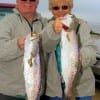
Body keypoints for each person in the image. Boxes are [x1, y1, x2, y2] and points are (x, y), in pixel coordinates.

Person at [0, 0, 62, 100]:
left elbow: (49, 46)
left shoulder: (45, 23)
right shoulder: (5, 22)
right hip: (9, 94)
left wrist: (54, 31)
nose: (28, 1)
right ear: (17, 1)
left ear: (37, 2)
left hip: (37, 92)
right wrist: (17, 44)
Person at [40, 0, 97, 100]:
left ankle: (69, 90)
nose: (61, 11)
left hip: (82, 85)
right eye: (56, 8)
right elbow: (46, 47)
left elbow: (91, 49)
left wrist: (81, 56)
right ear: (51, 10)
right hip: (54, 87)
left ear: (70, 8)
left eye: (64, 7)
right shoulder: (47, 26)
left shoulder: (81, 25)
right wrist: (54, 31)